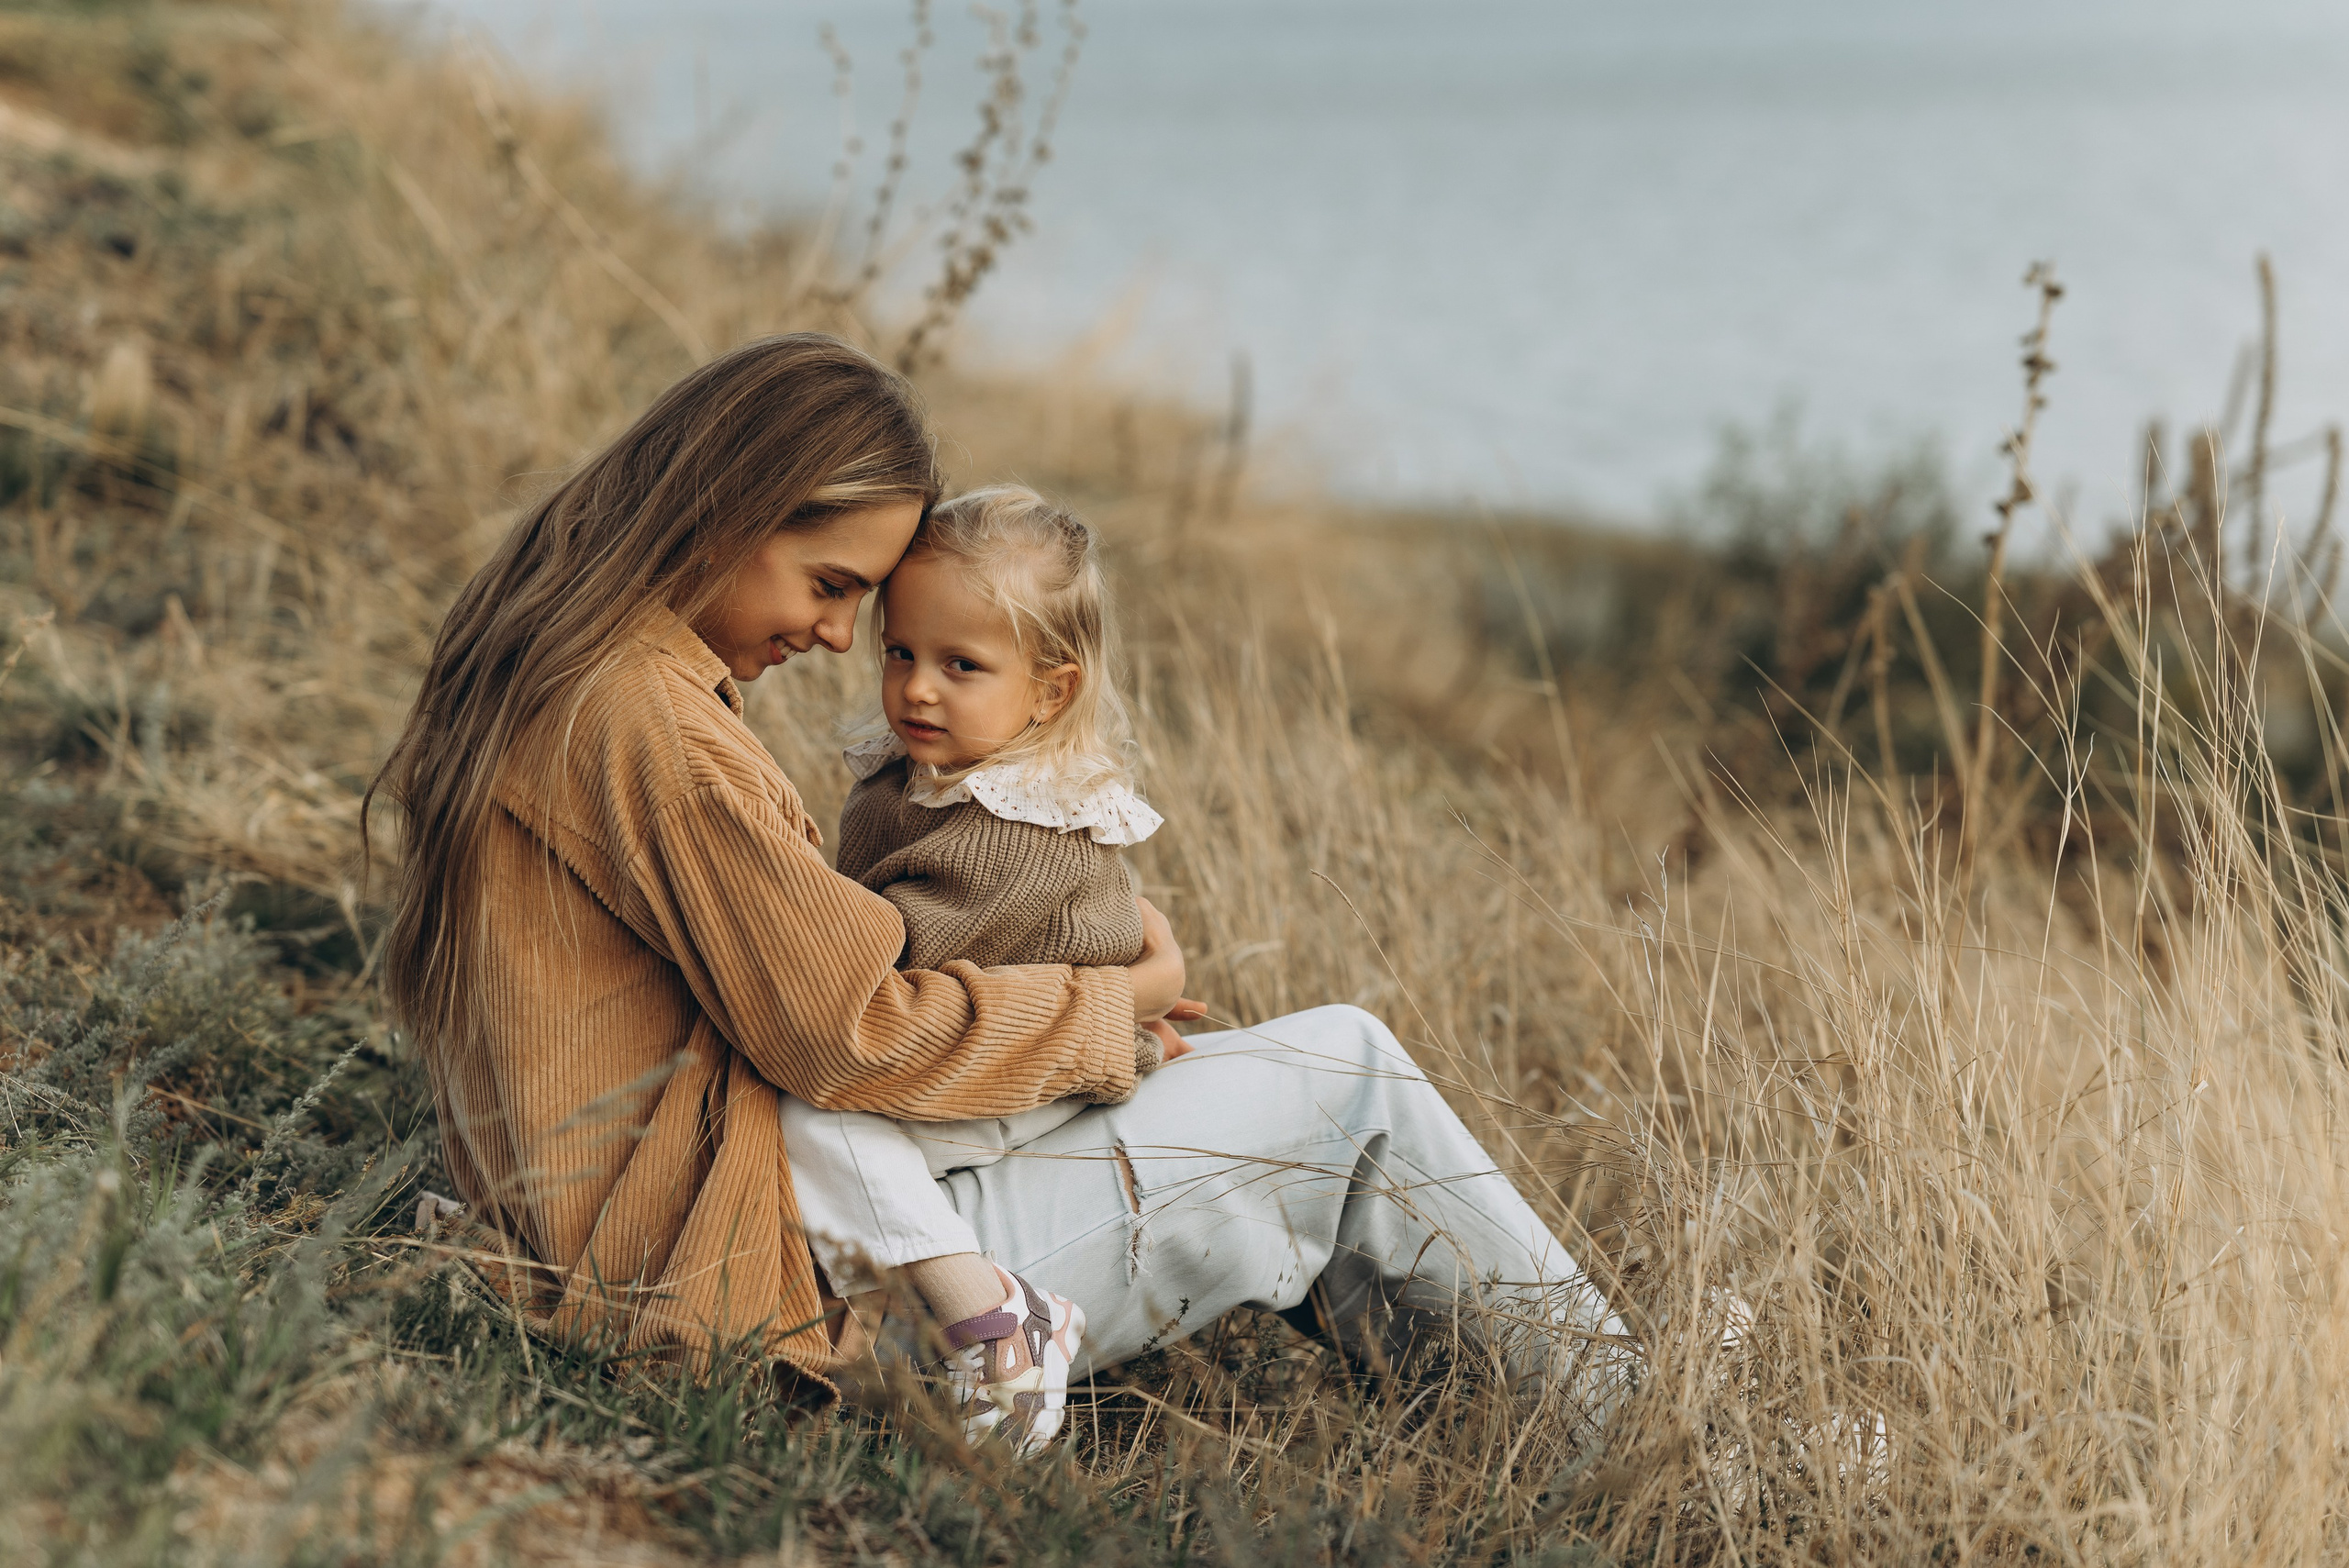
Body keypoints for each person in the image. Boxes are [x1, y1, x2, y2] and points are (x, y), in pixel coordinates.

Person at [366, 332, 1633, 1455]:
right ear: (727, 506)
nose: (834, 637)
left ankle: (1530, 1421)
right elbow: (850, 1032)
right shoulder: (647, 724)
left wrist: (1099, 1029)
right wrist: (1112, 1008)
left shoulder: (559, 663)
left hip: (673, 1230)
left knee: (1276, 1082)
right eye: (833, 587)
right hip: (760, 1285)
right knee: (1347, 1078)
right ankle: (1646, 1435)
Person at [778, 484, 1182, 1455]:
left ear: (1050, 689)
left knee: (812, 1116)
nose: (918, 686)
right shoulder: (911, 775)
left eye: (962, 664)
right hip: (974, 1037)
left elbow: (886, 972)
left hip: (1028, 1060)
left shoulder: (1013, 826)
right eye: (902, 652)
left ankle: (996, 1318)